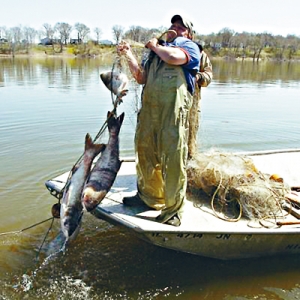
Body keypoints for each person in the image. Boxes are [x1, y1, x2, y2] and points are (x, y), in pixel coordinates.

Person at [117, 14, 201, 226]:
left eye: (181, 27)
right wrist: (128, 55)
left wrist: (154, 45)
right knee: (145, 152)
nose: (175, 28)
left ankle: (173, 211)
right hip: (149, 112)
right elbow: (141, 77)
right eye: (173, 24)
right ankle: (149, 198)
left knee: (173, 158)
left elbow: (174, 58)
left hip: (172, 114)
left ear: (189, 34)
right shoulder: (155, 54)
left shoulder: (189, 47)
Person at [188, 44, 213, 158]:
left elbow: (208, 76)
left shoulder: (199, 53)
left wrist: (198, 77)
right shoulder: (166, 49)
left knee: (190, 138)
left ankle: (188, 164)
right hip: (167, 105)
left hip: (191, 106)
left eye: (182, 28)